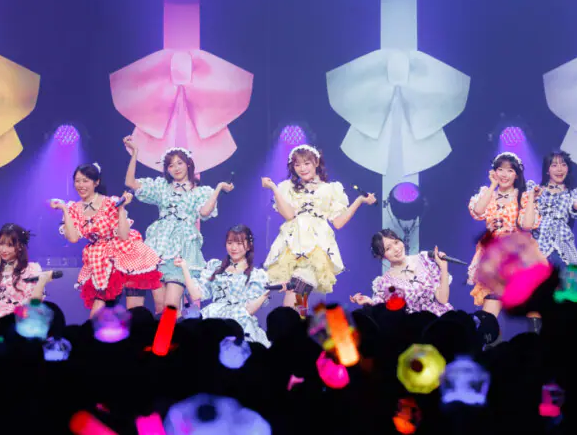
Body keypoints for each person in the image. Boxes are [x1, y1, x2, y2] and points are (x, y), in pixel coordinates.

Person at [261, 144, 376, 316]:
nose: (302, 168)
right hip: (291, 246)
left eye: (307, 163)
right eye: (297, 164)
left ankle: (291, 327)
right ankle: (297, 329)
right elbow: (289, 214)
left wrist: (359, 200)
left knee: (297, 290)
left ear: (316, 162)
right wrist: (274, 188)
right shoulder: (287, 187)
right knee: (298, 296)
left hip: (316, 247)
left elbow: (338, 222)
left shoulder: (331, 189)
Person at [123, 136, 233, 313]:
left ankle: (171, 331)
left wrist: (218, 188)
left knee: (171, 305)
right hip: (157, 246)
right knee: (160, 306)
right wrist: (135, 152)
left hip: (182, 247)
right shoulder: (162, 187)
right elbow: (131, 183)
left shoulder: (200, 191)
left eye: (179, 163)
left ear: (188, 164)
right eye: (171, 165)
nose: (176, 168)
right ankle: (166, 333)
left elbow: (205, 212)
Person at [51, 163, 162, 317]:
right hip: (100, 258)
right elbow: (73, 238)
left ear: (96, 182)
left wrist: (121, 208)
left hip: (127, 252)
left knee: (134, 310)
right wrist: (64, 209)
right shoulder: (73, 209)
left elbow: (124, 236)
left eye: (85, 181)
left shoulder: (111, 202)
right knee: (99, 308)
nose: (81, 185)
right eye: (77, 181)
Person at [467, 152, 542, 320]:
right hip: (493, 257)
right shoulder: (487, 193)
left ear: (517, 175)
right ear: (494, 172)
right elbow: (478, 211)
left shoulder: (523, 196)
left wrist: (531, 198)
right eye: (500, 169)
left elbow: (527, 225)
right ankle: (489, 335)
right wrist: (493, 185)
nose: (504, 174)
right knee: (489, 313)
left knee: (532, 310)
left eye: (510, 170)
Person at [176, 225, 272, 347]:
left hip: (239, 320)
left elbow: (249, 310)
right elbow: (196, 295)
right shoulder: (215, 267)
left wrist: (265, 294)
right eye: (230, 243)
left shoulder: (256, 275)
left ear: (248, 246)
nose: (233, 248)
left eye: (239, 243)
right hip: (212, 317)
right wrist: (184, 267)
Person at [350, 229, 453, 315]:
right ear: (382, 256)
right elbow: (383, 312)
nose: (396, 249)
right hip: (415, 328)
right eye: (388, 248)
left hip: (440, 321)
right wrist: (369, 302)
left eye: (396, 242)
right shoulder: (385, 283)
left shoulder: (425, 260)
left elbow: (443, 299)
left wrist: (443, 267)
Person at [0, 223, 56, 320]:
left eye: (9, 245)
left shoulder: (31, 269)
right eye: (1, 244)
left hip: (20, 317)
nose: (3, 250)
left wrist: (41, 282)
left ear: (20, 246)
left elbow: (34, 304)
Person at [534, 150, 577, 270]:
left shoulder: (571, 193)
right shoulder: (536, 191)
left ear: (568, 169)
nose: (559, 169)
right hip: (538, 241)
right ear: (547, 170)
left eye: (563, 165)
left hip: (561, 242)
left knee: (570, 277)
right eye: (554, 165)